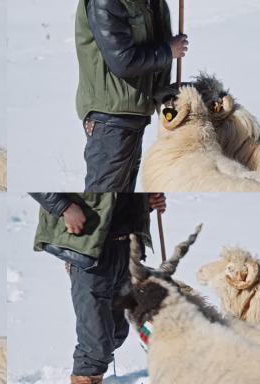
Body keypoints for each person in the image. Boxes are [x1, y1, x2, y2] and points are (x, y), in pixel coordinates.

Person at [30, 192, 167, 384]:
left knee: (116, 332)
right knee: (95, 348)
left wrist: (146, 201)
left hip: (125, 247)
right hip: (90, 249)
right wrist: (63, 207)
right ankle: (86, 377)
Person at [75, 0, 188, 192]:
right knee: (103, 196)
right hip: (110, 118)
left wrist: (165, 96)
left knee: (123, 200)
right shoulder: (105, 2)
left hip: (135, 115)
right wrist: (167, 51)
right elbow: (122, 61)